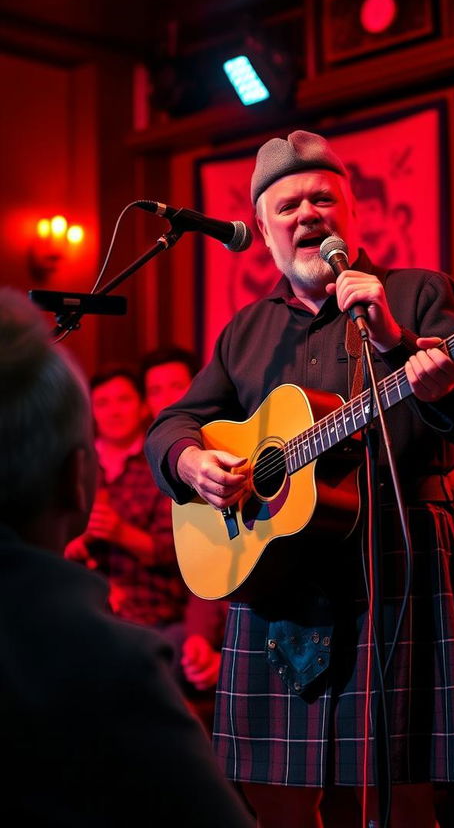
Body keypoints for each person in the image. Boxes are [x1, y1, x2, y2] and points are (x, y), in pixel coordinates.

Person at [145, 129, 454, 828]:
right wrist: (189, 461)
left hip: (395, 566)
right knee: (272, 803)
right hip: (278, 580)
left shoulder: (417, 294)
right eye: (287, 207)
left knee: (403, 796)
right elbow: (171, 424)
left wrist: (409, 357)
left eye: (323, 199)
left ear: (353, 213)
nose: (307, 214)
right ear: (262, 229)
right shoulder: (246, 331)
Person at [0, 287, 254, 827]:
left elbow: (194, 561)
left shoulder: (171, 475)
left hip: (160, 619)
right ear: (77, 479)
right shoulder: (116, 667)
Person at [65, 365, 189, 677]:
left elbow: (179, 553)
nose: (113, 411)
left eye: (123, 400)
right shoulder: (75, 467)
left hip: (153, 613)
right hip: (84, 606)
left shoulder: (164, 464)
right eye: (102, 403)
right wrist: (76, 545)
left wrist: (120, 532)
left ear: (142, 405)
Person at [141, 345, 228, 707]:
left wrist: (199, 635)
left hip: (206, 608)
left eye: (176, 385)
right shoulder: (159, 462)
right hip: (188, 612)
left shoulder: (225, 441)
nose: (166, 399)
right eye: (155, 391)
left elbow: (213, 550)